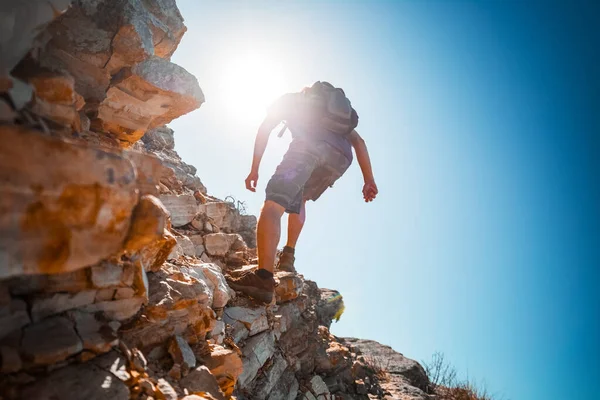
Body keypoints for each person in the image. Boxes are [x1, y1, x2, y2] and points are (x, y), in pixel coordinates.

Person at [227, 82, 378, 303]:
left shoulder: (292, 99)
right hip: (340, 159)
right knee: (300, 198)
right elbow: (359, 142)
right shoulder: (336, 115)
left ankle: (263, 278)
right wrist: (369, 180)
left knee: (274, 204)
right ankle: (288, 255)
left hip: (309, 147)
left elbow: (265, 128)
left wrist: (254, 169)